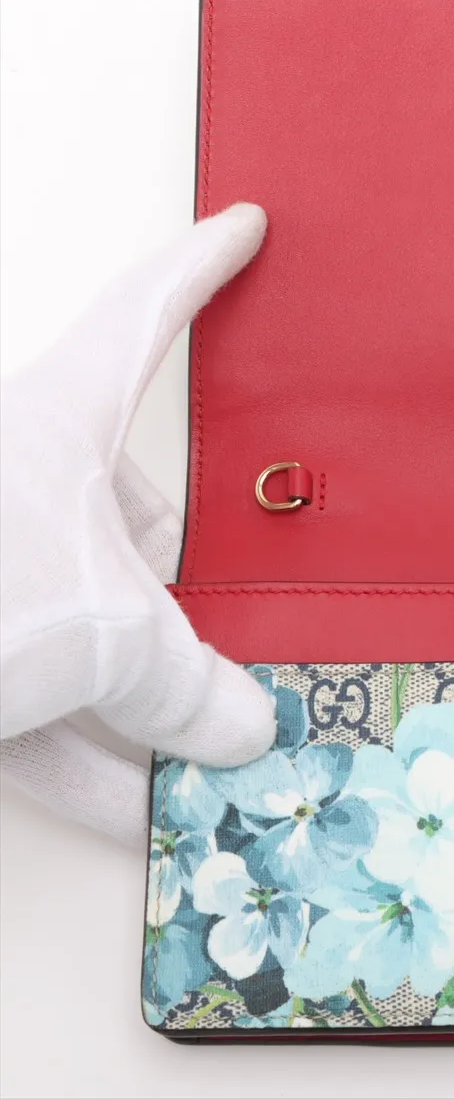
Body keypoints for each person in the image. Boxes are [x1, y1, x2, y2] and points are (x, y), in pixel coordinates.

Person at [0, 205, 278, 845]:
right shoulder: (95, 619)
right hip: (87, 613)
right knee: (237, 728)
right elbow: (239, 730)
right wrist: (187, 700)